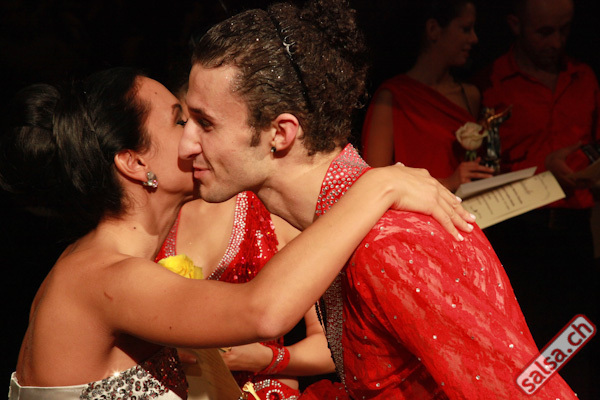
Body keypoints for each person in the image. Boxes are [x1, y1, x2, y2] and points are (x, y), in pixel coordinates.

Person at [179, 0, 578, 398]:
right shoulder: (349, 225)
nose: (186, 145)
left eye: (205, 123)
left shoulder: (387, 244)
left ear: (280, 134)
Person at [1, 67, 473, 399]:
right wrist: (377, 186)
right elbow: (263, 311)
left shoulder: (100, 262)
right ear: (134, 162)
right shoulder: (107, 277)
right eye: (180, 120)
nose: (197, 137)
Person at [475, 0, 599, 397]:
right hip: (517, 233)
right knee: (522, 344)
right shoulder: (491, 82)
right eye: (544, 32)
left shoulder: (584, 77)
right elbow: (479, 169)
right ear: (515, 24)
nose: (557, 42)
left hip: (574, 231)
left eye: (565, 30)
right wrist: (542, 169)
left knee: (576, 338)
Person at [155, 193, 337, 399]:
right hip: (176, 389)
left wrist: (267, 359)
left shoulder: (275, 216)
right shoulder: (154, 218)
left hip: (259, 390)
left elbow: (330, 348)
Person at [361, 0, 495, 192]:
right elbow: (374, 184)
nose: (474, 39)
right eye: (465, 29)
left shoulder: (469, 95)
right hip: (416, 209)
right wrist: (449, 183)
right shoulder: (391, 98)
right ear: (433, 29)